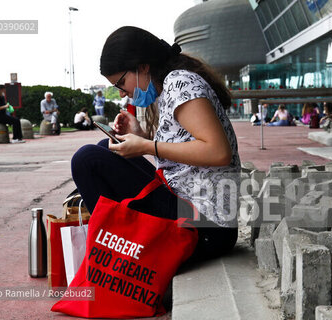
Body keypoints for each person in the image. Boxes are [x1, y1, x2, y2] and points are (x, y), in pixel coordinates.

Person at [71, 26, 241, 262]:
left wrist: (147, 147)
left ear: (142, 66)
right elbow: (188, 148)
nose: (122, 94)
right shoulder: (174, 83)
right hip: (190, 207)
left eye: (121, 83)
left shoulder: (180, 83)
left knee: (86, 160)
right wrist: (142, 137)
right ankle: (123, 247)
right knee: (104, 147)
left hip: (207, 227)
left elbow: (218, 151)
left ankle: (115, 256)